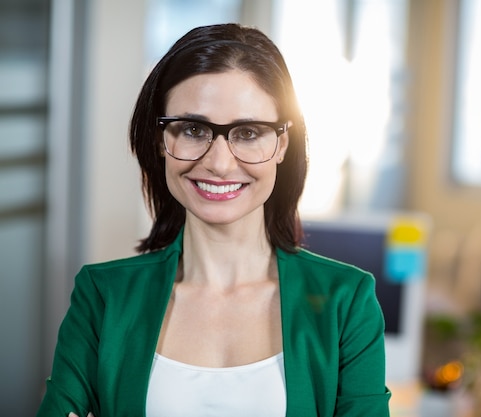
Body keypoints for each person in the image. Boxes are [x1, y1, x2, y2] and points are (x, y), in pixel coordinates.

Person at [37, 23, 390, 417]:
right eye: (192, 129)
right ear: (160, 141)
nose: (219, 164)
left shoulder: (347, 300)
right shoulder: (102, 296)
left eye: (249, 132)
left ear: (281, 145)